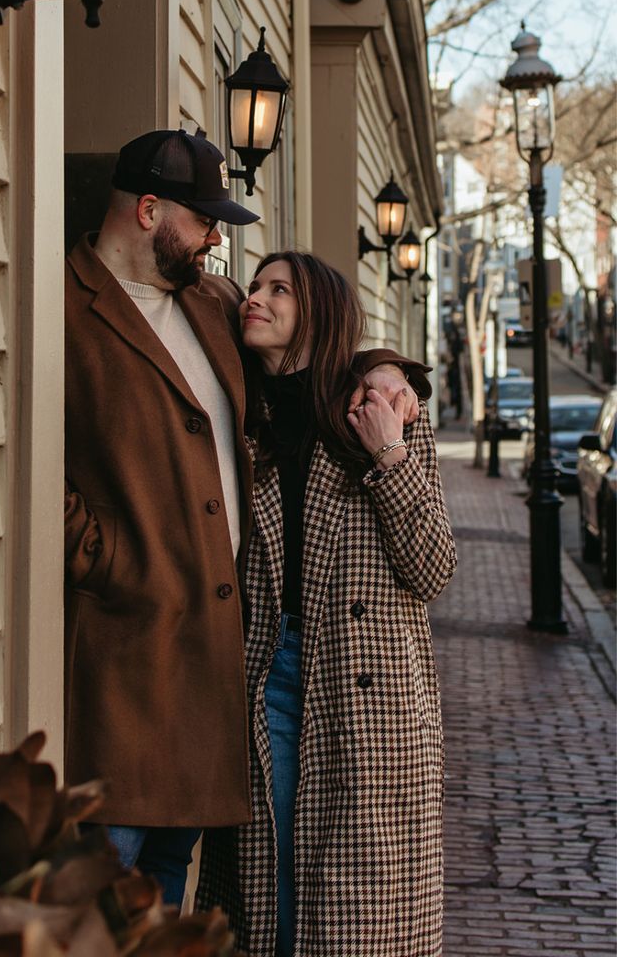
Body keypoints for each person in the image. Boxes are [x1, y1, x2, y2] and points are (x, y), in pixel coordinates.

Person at [64, 130, 419, 908]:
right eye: (205, 221)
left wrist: (386, 370)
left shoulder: (215, 302)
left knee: (170, 898)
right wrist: (108, 555)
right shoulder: (64, 307)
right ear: (151, 210)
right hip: (127, 658)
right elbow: (30, 453)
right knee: (102, 896)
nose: (218, 239)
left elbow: (315, 346)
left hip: (218, 670)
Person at [197, 251, 457, 956]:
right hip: (270, 678)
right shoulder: (240, 411)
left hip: (369, 690)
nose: (256, 296)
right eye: (255, 285)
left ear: (319, 313)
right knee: (273, 889)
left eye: (279, 289)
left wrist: (390, 456)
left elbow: (434, 569)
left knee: (355, 907)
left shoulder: (380, 410)